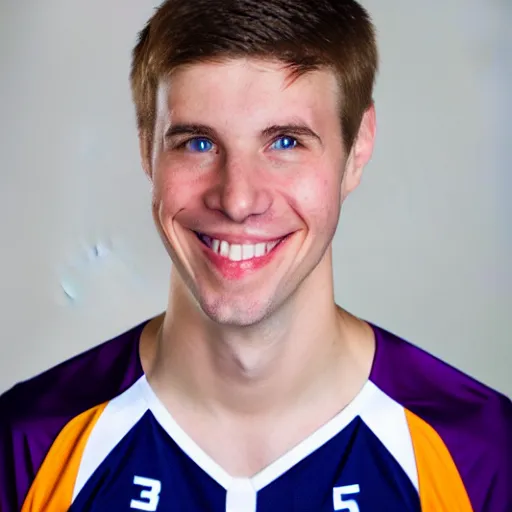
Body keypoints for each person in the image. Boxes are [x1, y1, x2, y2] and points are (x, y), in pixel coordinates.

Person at [1, 0, 511, 510]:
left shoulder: (481, 456)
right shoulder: (29, 446)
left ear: (357, 148)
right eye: (197, 143)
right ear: (146, 149)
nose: (238, 199)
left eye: (285, 141)